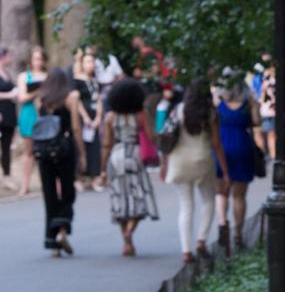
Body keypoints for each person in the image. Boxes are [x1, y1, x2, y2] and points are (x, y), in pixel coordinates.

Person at [161, 80, 229, 263]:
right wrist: (224, 170)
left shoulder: (178, 110)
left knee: (186, 206)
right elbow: (216, 144)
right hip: (202, 160)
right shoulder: (210, 114)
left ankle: (186, 250)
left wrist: (164, 164)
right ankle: (201, 240)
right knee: (208, 201)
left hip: (179, 162)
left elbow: (168, 137)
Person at [100, 78, 160, 256]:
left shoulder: (110, 117)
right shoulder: (140, 115)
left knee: (120, 198)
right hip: (135, 154)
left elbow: (106, 144)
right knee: (138, 197)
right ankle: (129, 232)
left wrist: (102, 169)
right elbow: (151, 137)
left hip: (116, 155)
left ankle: (126, 242)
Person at [35, 68, 84, 256]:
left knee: (49, 195)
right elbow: (76, 128)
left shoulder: (42, 98)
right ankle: (62, 230)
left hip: (45, 150)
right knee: (68, 192)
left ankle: (52, 242)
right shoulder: (71, 96)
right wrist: (82, 153)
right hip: (64, 149)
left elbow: (40, 125)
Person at [214, 80, 261, 255]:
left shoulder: (219, 103)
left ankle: (222, 222)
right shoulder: (247, 104)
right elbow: (256, 122)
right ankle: (238, 234)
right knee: (239, 196)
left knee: (221, 192)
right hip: (242, 146)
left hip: (222, 147)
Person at [17, 46, 48, 195]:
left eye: (40, 58)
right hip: (29, 114)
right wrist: (37, 91)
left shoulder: (47, 76)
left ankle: (48, 182)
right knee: (28, 151)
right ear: (31, 60)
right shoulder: (24, 76)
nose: (38, 62)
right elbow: (22, 98)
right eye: (35, 58)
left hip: (44, 114)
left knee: (45, 150)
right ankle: (25, 185)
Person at [74, 51, 104, 192]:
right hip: (82, 119)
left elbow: (98, 100)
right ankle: (79, 178)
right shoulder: (78, 81)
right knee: (81, 148)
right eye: (87, 61)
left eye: (92, 61)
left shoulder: (95, 82)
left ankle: (94, 177)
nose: (90, 64)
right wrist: (85, 117)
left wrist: (98, 117)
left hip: (94, 120)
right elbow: (77, 100)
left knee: (94, 148)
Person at [0, 48, 19, 191]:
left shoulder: (7, 73)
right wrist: (9, 94)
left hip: (9, 115)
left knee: (6, 148)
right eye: (9, 56)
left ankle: (6, 177)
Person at [259, 61, 277, 159]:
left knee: (273, 134)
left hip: (272, 111)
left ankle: (274, 154)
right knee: (271, 134)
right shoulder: (266, 82)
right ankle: (273, 154)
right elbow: (263, 97)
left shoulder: (274, 81)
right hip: (268, 111)